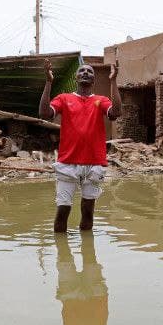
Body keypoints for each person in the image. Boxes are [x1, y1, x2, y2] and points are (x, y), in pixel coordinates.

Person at [39, 59, 122, 233]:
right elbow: (44, 113)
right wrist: (48, 81)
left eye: (89, 71)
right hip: (67, 163)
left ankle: (88, 258)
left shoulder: (101, 100)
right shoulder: (64, 98)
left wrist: (113, 81)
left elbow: (116, 113)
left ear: (94, 80)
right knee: (63, 211)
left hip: (94, 164)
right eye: (82, 70)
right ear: (76, 77)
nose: (85, 72)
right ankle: (63, 259)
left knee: (88, 213)